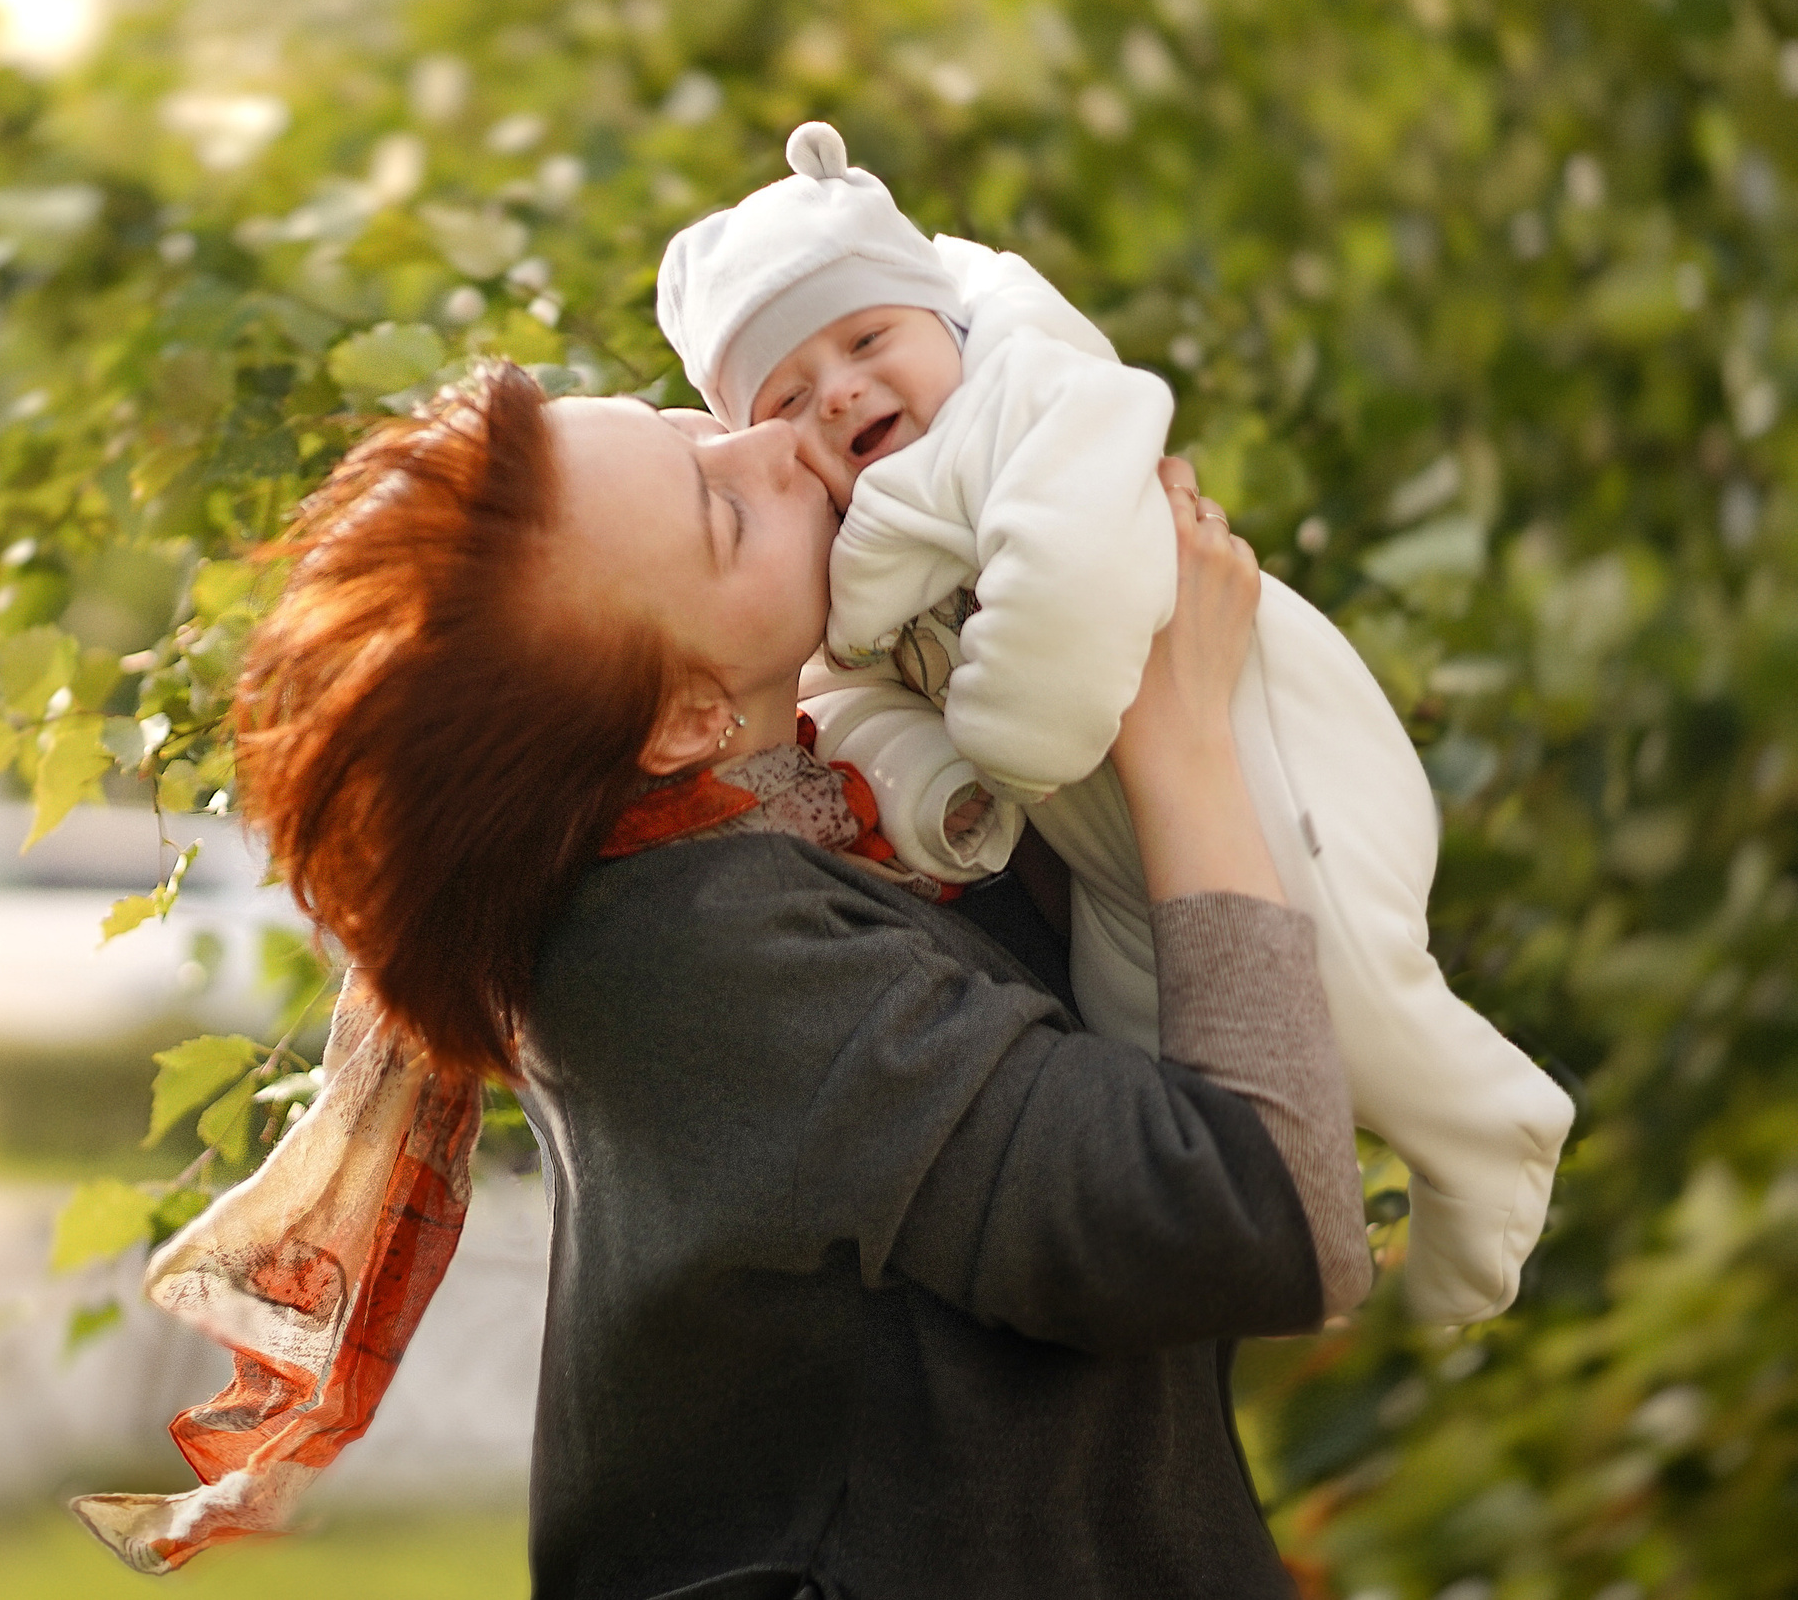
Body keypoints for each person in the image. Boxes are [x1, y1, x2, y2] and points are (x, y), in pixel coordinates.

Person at [78, 360, 1371, 1594]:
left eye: (681, 423)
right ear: (689, 716)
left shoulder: (746, 841)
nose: (769, 439)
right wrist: (1178, 725)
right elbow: (1271, 1218)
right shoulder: (712, 953)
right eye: (723, 507)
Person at [654, 122, 1573, 1327]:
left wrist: (1004, 733)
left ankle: (1487, 1130)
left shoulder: (1029, 401)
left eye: (868, 337)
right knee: (1156, 1051)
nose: (840, 389)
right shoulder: (841, 544)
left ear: (944, 323)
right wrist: (937, 787)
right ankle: (1304, 1225)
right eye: (789, 393)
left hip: (1266, 754)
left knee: (1346, 975)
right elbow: (846, 703)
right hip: (1119, 850)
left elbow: (1079, 569)